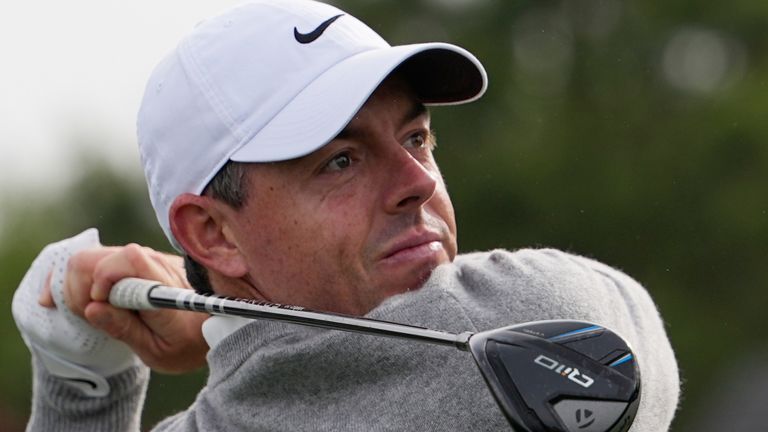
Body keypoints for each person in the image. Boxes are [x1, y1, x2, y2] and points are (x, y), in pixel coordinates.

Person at [12, 0, 680, 430]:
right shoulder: (506, 337)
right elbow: (611, 319)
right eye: (341, 161)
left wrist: (82, 381)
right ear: (212, 234)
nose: (416, 183)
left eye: (416, 138)